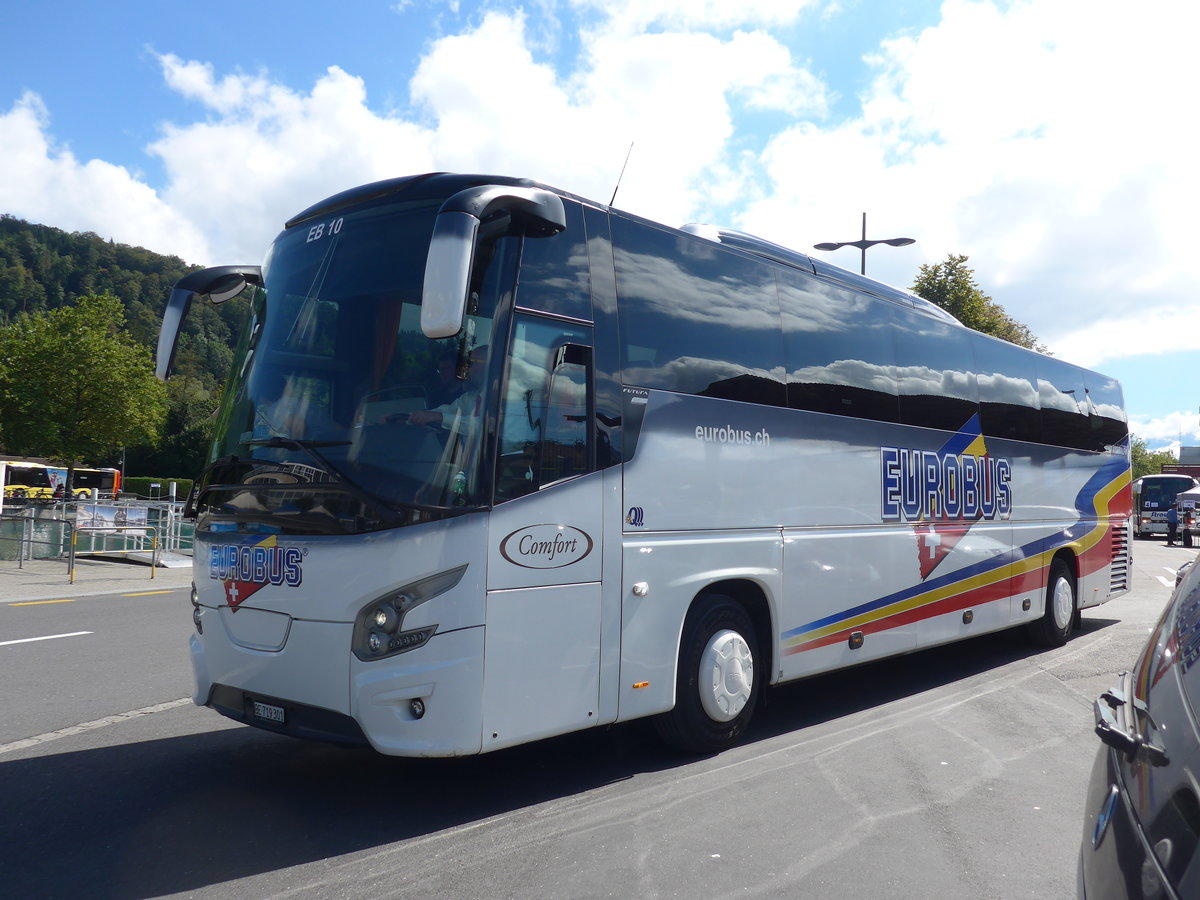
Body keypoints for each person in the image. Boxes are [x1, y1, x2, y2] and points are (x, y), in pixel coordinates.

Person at [408, 346, 487, 428]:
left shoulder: (498, 397)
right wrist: (416, 417)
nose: (467, 368)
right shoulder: (470, 396)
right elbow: (450, 410)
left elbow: (481, 425)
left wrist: (440, 417)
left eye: (471, 363)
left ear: (488, 364)